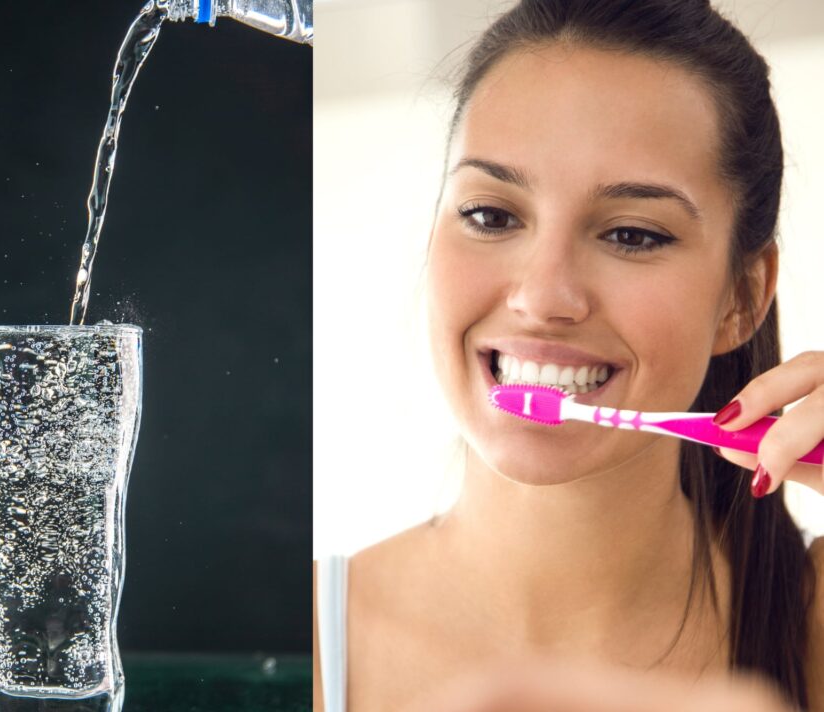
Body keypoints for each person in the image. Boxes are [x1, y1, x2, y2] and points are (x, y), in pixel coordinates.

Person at [313, 1, 824, 710]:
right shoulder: (301, 646)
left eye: (633, 235)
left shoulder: (812, 628)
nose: (543, 296)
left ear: (742, 296)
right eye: (491, 216)